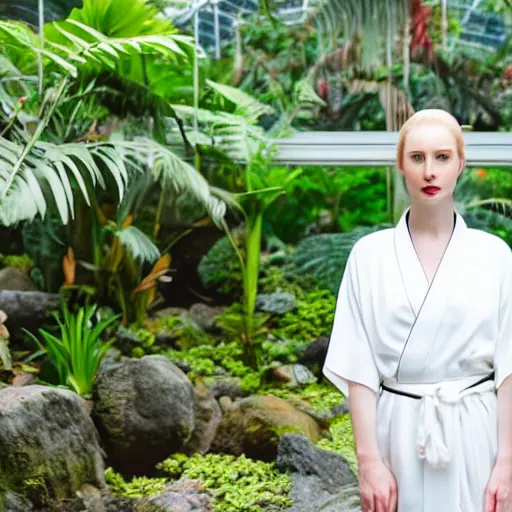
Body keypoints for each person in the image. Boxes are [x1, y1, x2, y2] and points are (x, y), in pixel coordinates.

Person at [322, 109, 512, 512]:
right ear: (400, 165)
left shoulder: (495, 255)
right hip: (398, 434)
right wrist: (368, 461)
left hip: (476, 433)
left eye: (442, 157)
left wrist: (507, 463)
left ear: (461, 164)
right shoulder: (367, 257)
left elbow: (509, 370)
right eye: (418, 158)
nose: (430, 171)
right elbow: (359, 370)